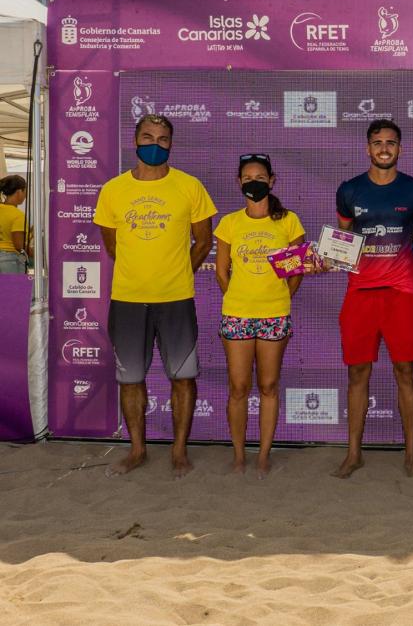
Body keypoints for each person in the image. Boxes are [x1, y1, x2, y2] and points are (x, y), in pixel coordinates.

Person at [93, 114, 216, 477]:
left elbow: (204, 241)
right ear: (135, 141)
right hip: (128, 299)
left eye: (163, 139)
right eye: (148, 137)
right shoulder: (113, 190)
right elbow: (112, 244)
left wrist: (177, 272)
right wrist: (143, 272)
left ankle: (179, 451)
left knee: (183, 377)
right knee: (130, 379)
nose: (155, 144)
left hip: (177, 298)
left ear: (171, 144)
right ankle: (137, 450)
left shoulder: (190, 186)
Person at [333, 119, 413, 479]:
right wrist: (328, 257)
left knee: (406, 371)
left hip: (402, 295)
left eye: (391, 142)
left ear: (400, 148)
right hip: (360, 294)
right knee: (358, 374)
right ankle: (353, 454)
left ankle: (411, 454)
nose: (384, 148)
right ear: (367, 148)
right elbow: (343, 240)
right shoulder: (349, 190)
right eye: (377, 142)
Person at [214, 154, 305, 478]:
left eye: (260, 177)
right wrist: (238, 297)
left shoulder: (288, 220)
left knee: (268, 385)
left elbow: (296, 270)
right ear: (239, 183)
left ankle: (264, 456)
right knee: (238, 387)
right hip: (236, 314)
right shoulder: (229, 223)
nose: (254, 182)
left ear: (271, 181)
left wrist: (280, 296)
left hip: (274, 314)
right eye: (248, 177)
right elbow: (221, 272)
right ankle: (239, 456)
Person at [0, 175, 30, 273]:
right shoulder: (18, 215)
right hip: (10, 261)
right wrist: (37, 253)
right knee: (12, 289)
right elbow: (19, 245)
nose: (26, 196)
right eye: (25, 191)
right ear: (19, 192)